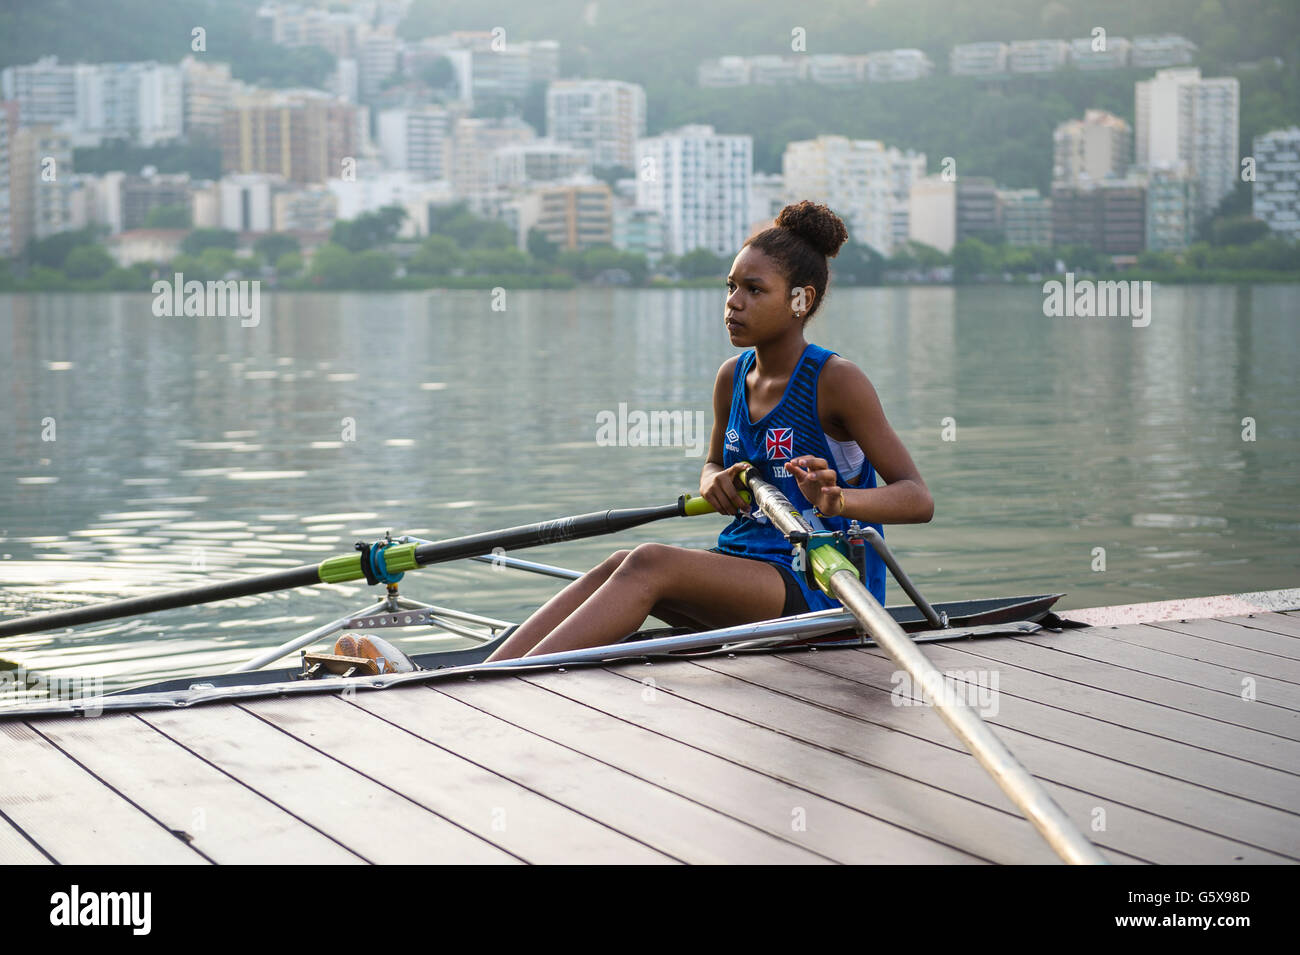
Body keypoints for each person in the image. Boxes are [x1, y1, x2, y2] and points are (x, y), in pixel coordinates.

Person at [485, 200, 933, 662]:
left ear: (801, 300)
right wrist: (713, 482)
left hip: (823, 587)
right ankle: (488, 671)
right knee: (619, 564)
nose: (733, 303)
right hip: (746, 563)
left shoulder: (837, 381)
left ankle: (504, 682)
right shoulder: (731, 377)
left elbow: (918, 498)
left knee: (648, 563)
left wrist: (838, 500)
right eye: (731, 286)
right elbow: (713, 463)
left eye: (754, 290)